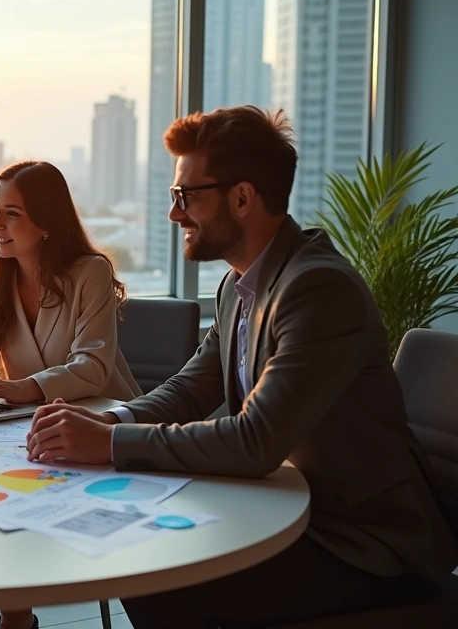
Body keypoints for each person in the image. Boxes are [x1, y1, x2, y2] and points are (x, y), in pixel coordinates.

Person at [26, 106, 458, 628]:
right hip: (291, 508)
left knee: (160, 576)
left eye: (185, 197)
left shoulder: (319, 290)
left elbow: (255, 441)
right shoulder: (240, 285)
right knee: (143, 555)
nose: (174, 215)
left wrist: (110, 446)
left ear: (242, 198)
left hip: (365, 542)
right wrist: (113, 422)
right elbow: (190, 387)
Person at [0, 160, 141, 629]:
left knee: (10, 502)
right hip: (28, 435)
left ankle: (14, 618)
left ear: (45, 223)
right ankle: (15, 618)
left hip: (99, 429)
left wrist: (22, 388)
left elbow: (93, 367)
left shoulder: (90, 273)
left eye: (12, 213)